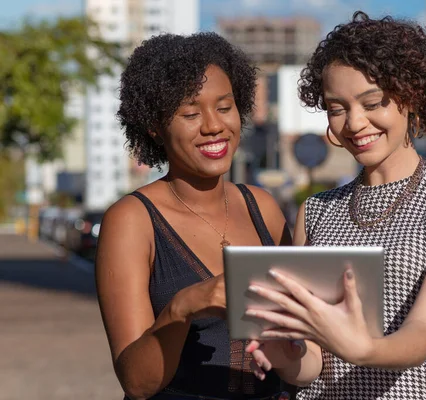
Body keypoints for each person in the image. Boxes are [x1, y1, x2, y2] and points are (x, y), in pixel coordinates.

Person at [244, 11, 426, 400]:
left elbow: (423, 333)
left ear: (410, 98)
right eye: (337, 107)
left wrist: (363, 349)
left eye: (372, 102)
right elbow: (313, 363)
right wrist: (285, 355)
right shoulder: (315, 211)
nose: (355, 123)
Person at [95, 32, 321, 400]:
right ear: (154, 126)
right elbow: (136, 383)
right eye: (189, 113)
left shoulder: (262, 206)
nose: (213, 125)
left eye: (225, 106)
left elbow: (302, 345)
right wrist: (183, 308)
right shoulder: (132, 220)